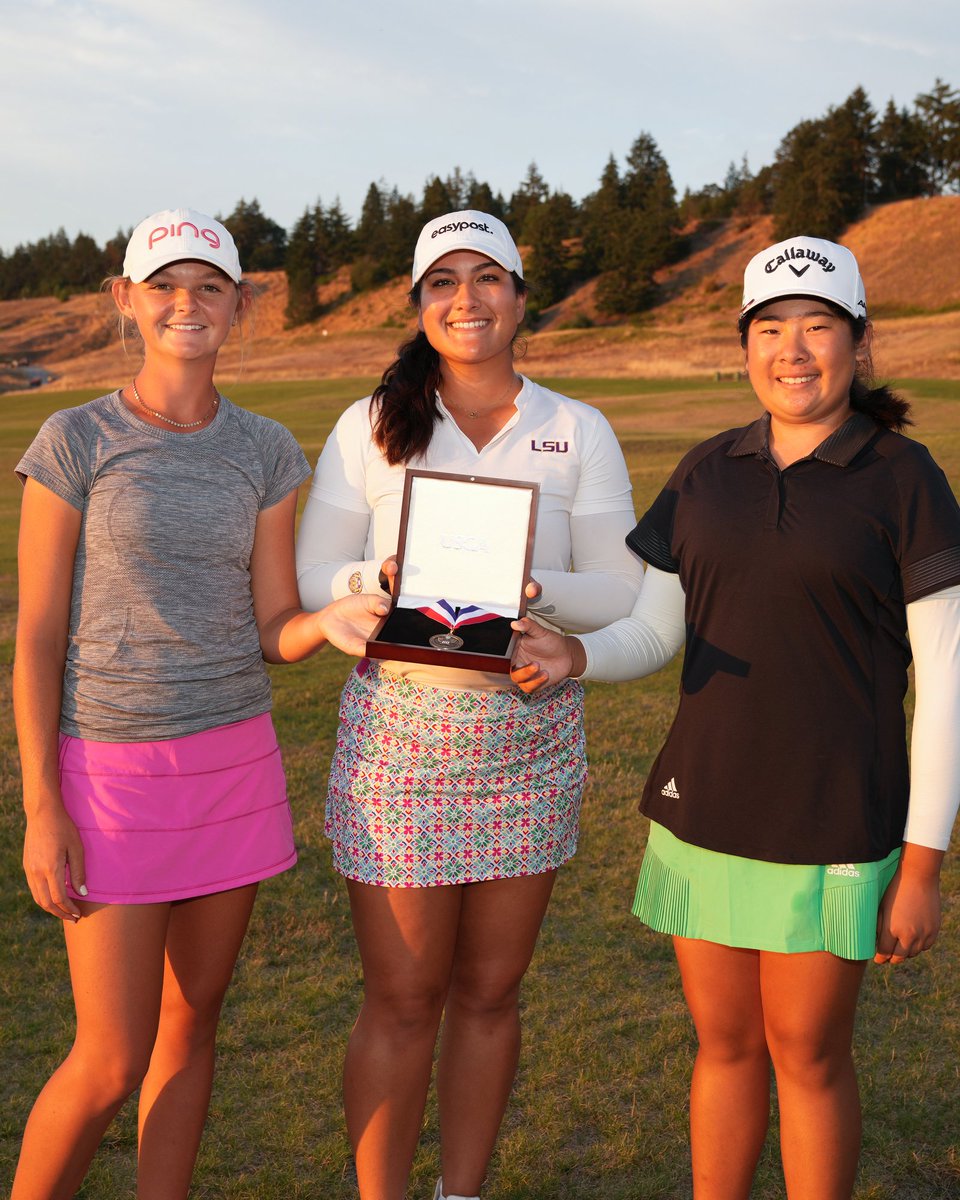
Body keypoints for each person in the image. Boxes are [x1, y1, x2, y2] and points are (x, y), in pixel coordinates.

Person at [511, 235, 960, 1200]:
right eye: (770, 330)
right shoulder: (708, 471)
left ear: (859, 345)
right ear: (745, 346)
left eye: (818, 328)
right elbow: (658, 630)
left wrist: (922, 862)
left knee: (808, 1055)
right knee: (722, 1047)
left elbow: (949, 687)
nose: (793, 351)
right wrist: (578, 654)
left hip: (834, 816)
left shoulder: (906, 479)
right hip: (703, 804)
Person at [11, 207, 388, 1200]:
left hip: (232, 765)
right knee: (108, 1060)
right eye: (165, 286)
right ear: (128, 301)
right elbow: (38, 635)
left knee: (193, 1024)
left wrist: (330, 618)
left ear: (242, 305)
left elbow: (272, 622)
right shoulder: (74, 438)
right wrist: (42, 806)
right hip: (111, 775)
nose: (187, 304)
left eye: (209, 288)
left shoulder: (264, 449)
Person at [295, 210, 644, 1200]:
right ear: (416, 305)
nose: (467, 297)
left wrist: (528, 589)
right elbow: (314, 571)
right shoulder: (372, 422)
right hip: (401, 738)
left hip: (527, 736)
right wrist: (386, 574)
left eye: (488, 277)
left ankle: (462, 1192)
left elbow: (617, 588)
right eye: (442, 280)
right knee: (403, 997)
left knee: (491, 994)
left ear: (523, 298)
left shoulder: (577, 427)